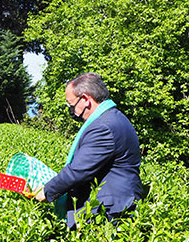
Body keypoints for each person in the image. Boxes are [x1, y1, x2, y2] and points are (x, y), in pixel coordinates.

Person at [34, 72, 143, 227]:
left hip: (109, 213)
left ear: (85, 99)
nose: (72, 111)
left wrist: (47, 190)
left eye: (71, 105)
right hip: (117, 206)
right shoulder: (115, 118)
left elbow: (79, 170)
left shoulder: (103, 127)